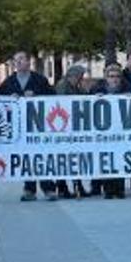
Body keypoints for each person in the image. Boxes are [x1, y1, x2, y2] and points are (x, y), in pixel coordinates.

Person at [0, 51, 57, 201]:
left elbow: (53, 98)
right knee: (27, 157)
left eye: (22, 59)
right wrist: (8, 99)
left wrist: (36, 96)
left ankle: (49, 189)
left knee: (41, 156)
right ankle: (29, 189)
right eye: (16, 60)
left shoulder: (40, 80)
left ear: (29, 62)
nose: (18, 62)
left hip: (39, 125)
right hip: (20, 128)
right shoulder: (8, 82)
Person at [91, 64, 128, 199]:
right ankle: (108, 189)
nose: (115, 79)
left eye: (117, 76)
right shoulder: (97, 89)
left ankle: (120, 189)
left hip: (120, 131)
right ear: (106, 78)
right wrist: (95, 98)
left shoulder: (126, 88)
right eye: (111, 76)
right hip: (104, 132)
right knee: (107, 160)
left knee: (119, 159)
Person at [54, 65, 90, 199]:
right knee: (65, 159)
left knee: (75, 159)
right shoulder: (63, 86)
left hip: (74, 128)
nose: (80, 79)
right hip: (64, 128)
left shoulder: (76, 87)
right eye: (80, 76)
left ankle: (77, 186)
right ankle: (63, 187)